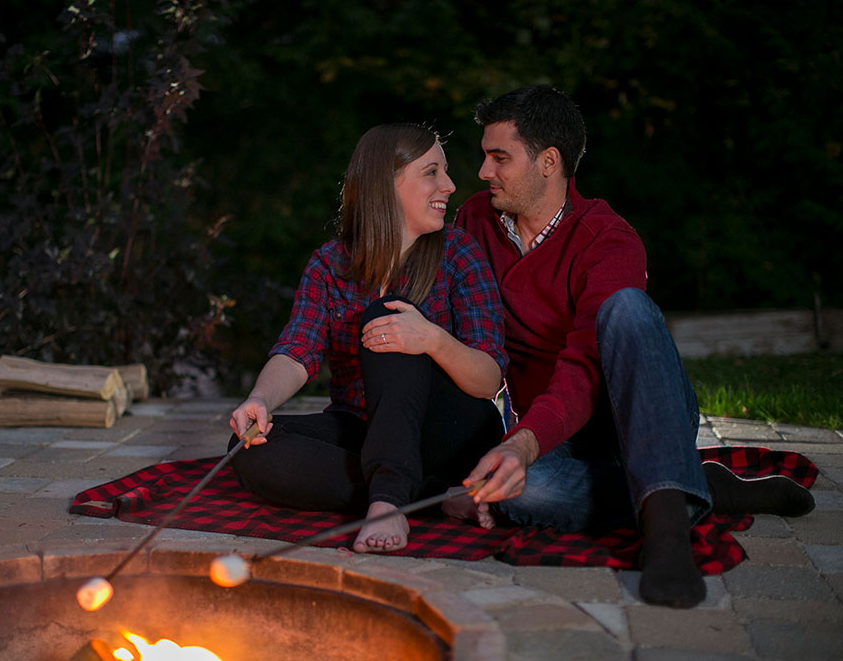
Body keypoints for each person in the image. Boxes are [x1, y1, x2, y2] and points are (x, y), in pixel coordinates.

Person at [448, 84, 815, 608]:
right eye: (485, 156)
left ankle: (667, 535)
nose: (483, 172)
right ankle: (695, 485)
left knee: (626, 308)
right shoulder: (474, 222)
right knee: (517, 490)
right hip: (552, 429)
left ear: (548, 162)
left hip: (637, 409)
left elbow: (585, 365)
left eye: (498, 157)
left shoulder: (608, 238)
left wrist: (522, 443)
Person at [227, 123, 507, 553]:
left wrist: (432, 339)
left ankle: (389, 499)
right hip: (367, 430)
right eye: (432, 172)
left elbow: (489, 381)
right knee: (248, 445)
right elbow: (297, 351)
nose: (449, 185)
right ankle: (434, 497)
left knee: (387, 317)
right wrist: (260, 399)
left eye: (445, 171)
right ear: (386, 183)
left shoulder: (459, 253)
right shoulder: (329, 265)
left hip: (449, 434)